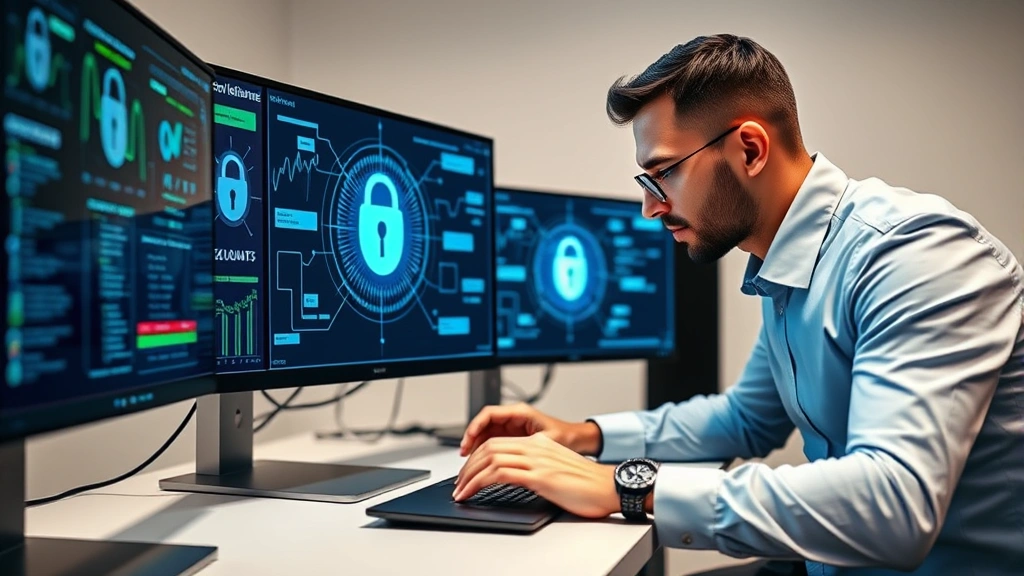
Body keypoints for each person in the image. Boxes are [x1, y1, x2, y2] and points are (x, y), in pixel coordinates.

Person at [454, 34, 1024, 575]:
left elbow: (892, 506)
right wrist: (580, 436)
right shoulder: (788, 264)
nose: (650, 209)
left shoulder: (914, 257)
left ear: (750, 149)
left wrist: (623, 484)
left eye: (663, 174)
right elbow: (745, 419)